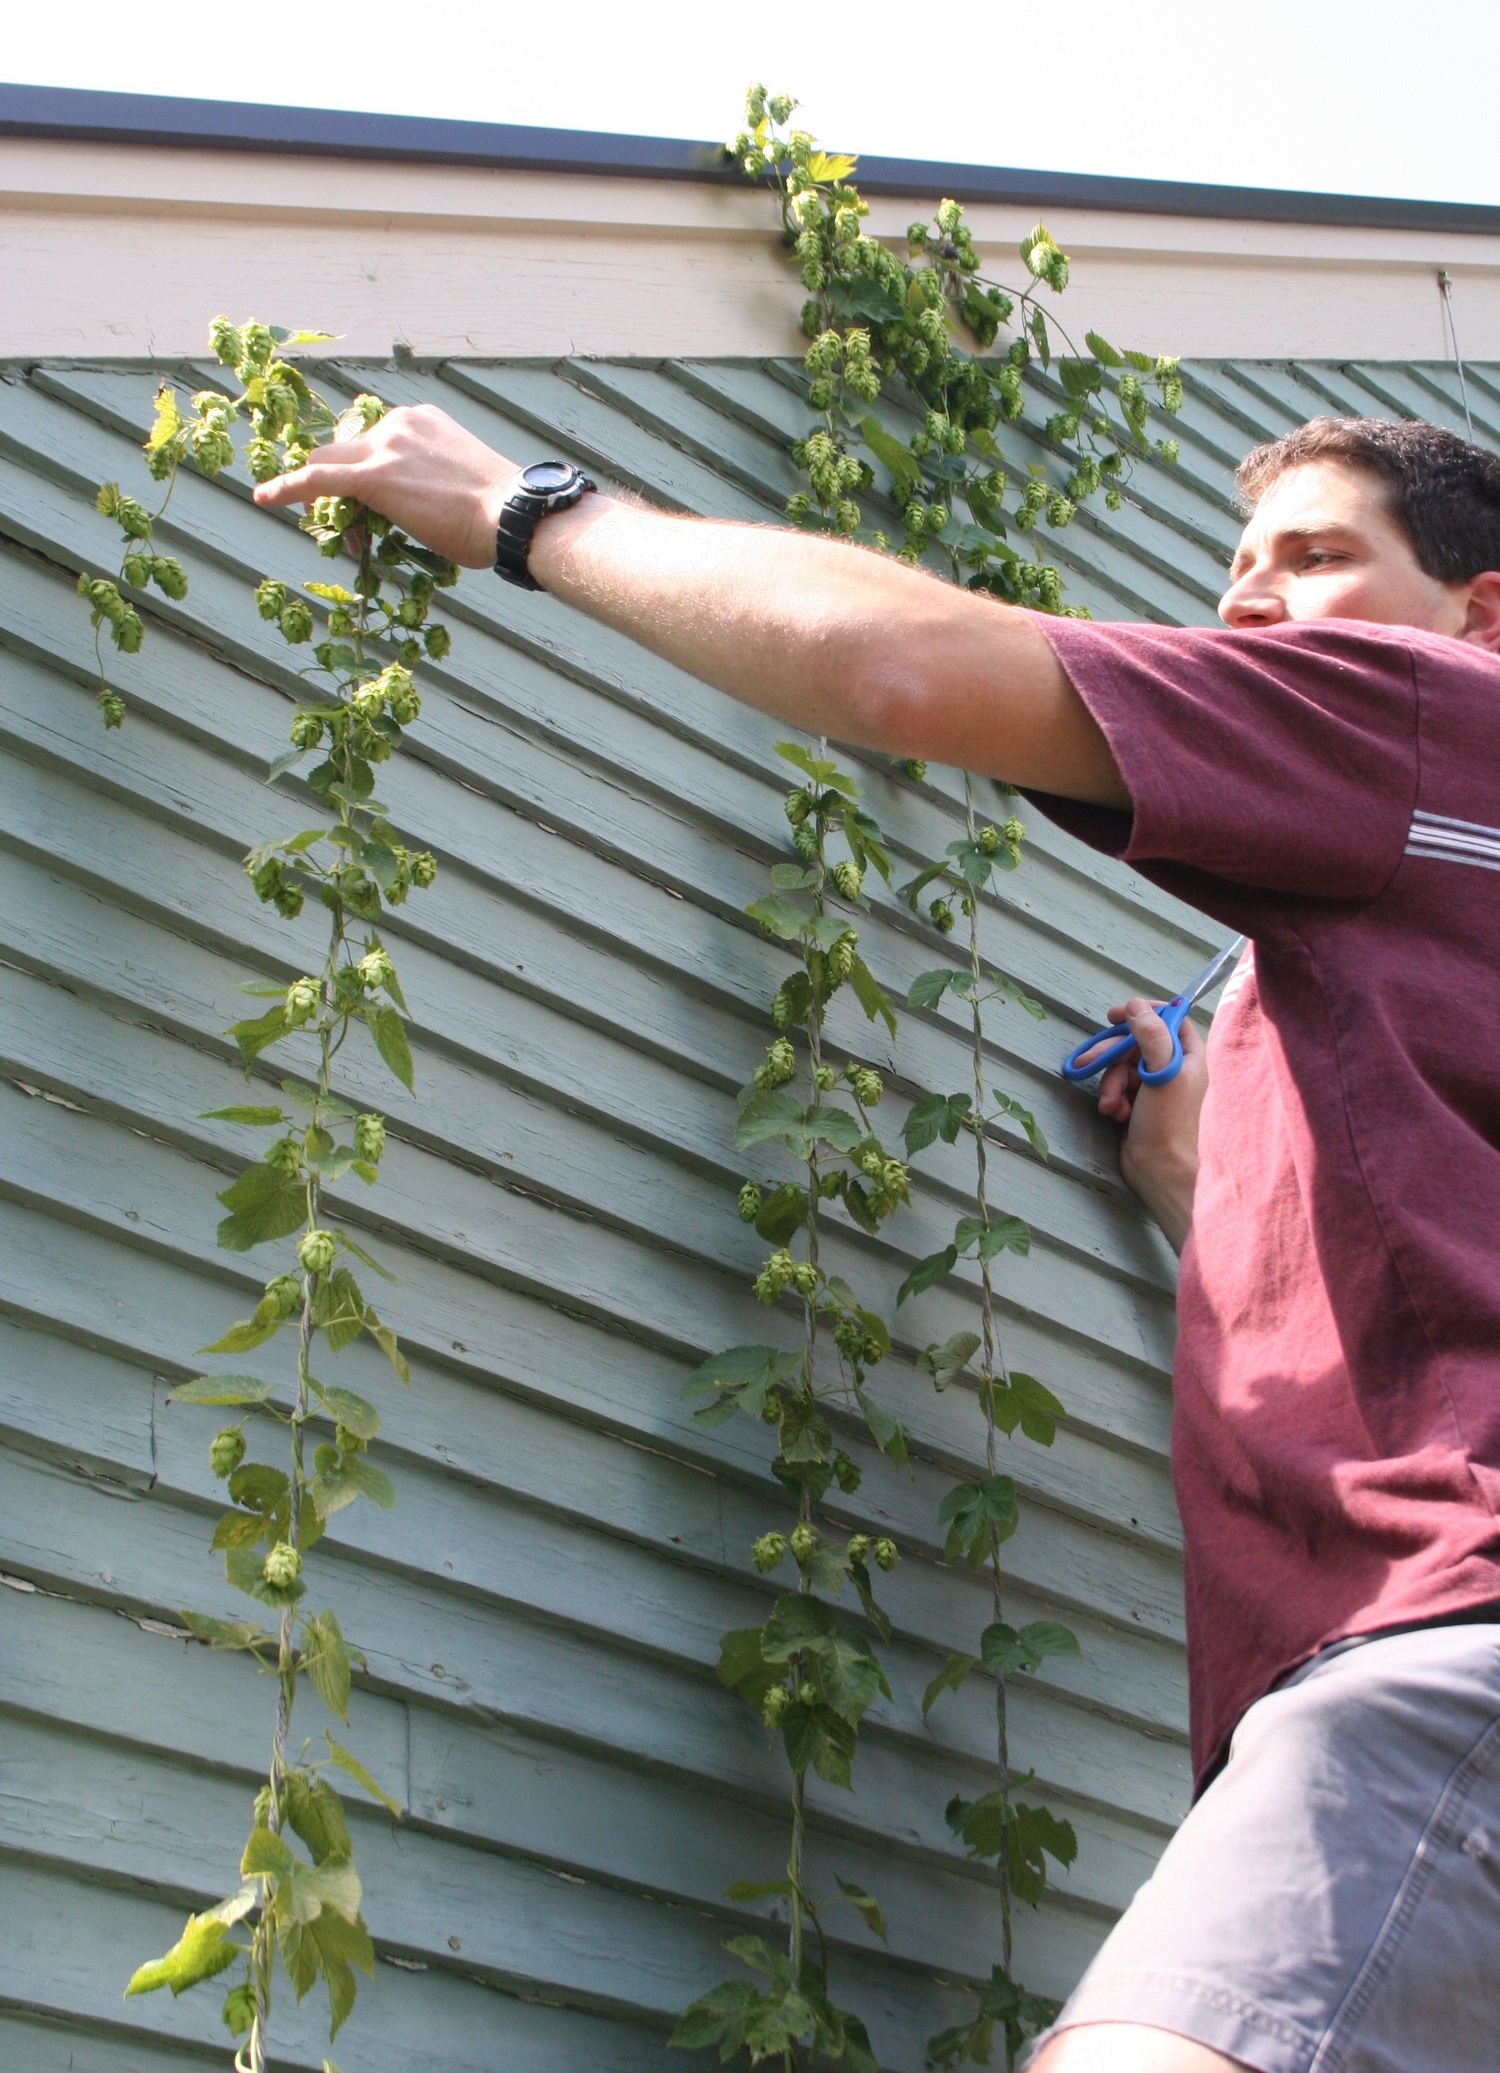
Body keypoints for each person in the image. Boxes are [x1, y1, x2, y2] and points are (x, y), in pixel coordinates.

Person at [255, 411, 1500, 2072]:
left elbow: (900, 670)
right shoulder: (1404, 927)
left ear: (1481, 614)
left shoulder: (1436, 717)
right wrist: (1191, 1173)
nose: (1251, 604)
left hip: (1448, 1655)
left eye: (1319, 557)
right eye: (1236, 567)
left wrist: (522, 505)